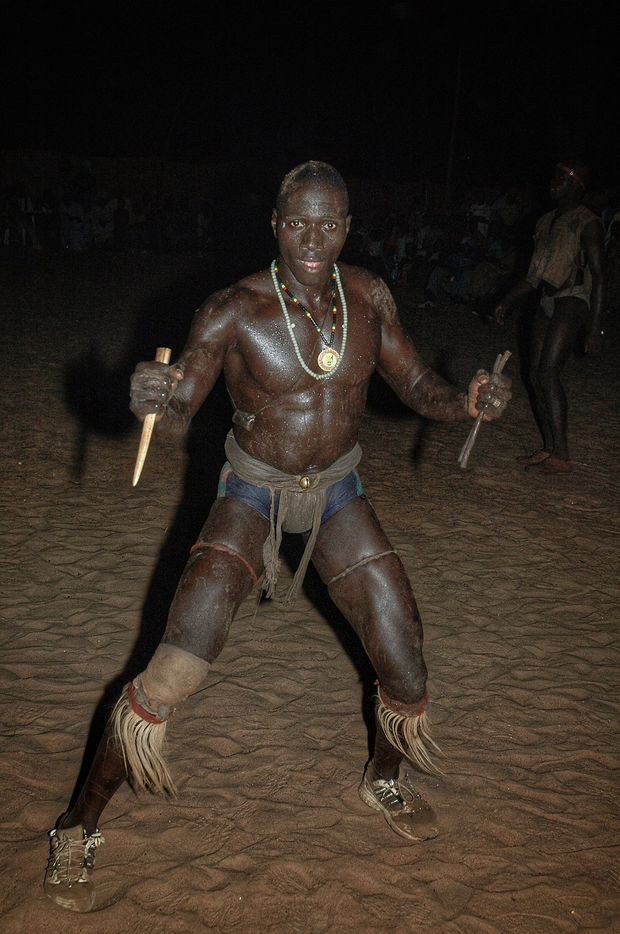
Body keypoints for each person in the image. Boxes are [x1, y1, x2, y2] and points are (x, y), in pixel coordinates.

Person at [44, 161, 511, 912]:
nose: (313, 240)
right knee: (172, 671)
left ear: (348, 227)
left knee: (404, 655)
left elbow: (417, 384)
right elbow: (182, 404)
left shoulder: (368, 296)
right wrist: (150, 399)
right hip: (252, 490)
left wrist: (469, 403)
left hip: (338, 492)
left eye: (328, 224)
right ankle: (78, 825)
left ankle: (384, 779)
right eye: (298, 223)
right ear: (274, 224)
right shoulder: (234, 309)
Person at [494, 159, 605, 474]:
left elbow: (600, 276)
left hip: (574, 298)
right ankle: (549, 448)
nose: (553, 183)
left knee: (548, 373)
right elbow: (534, 276)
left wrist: (595, 326)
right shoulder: (545, 221)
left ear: (576, 184)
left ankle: (562, 455)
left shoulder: (587, 222)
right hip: (548, 297)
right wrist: (506, 300)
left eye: (561, 178)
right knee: (534, 374)